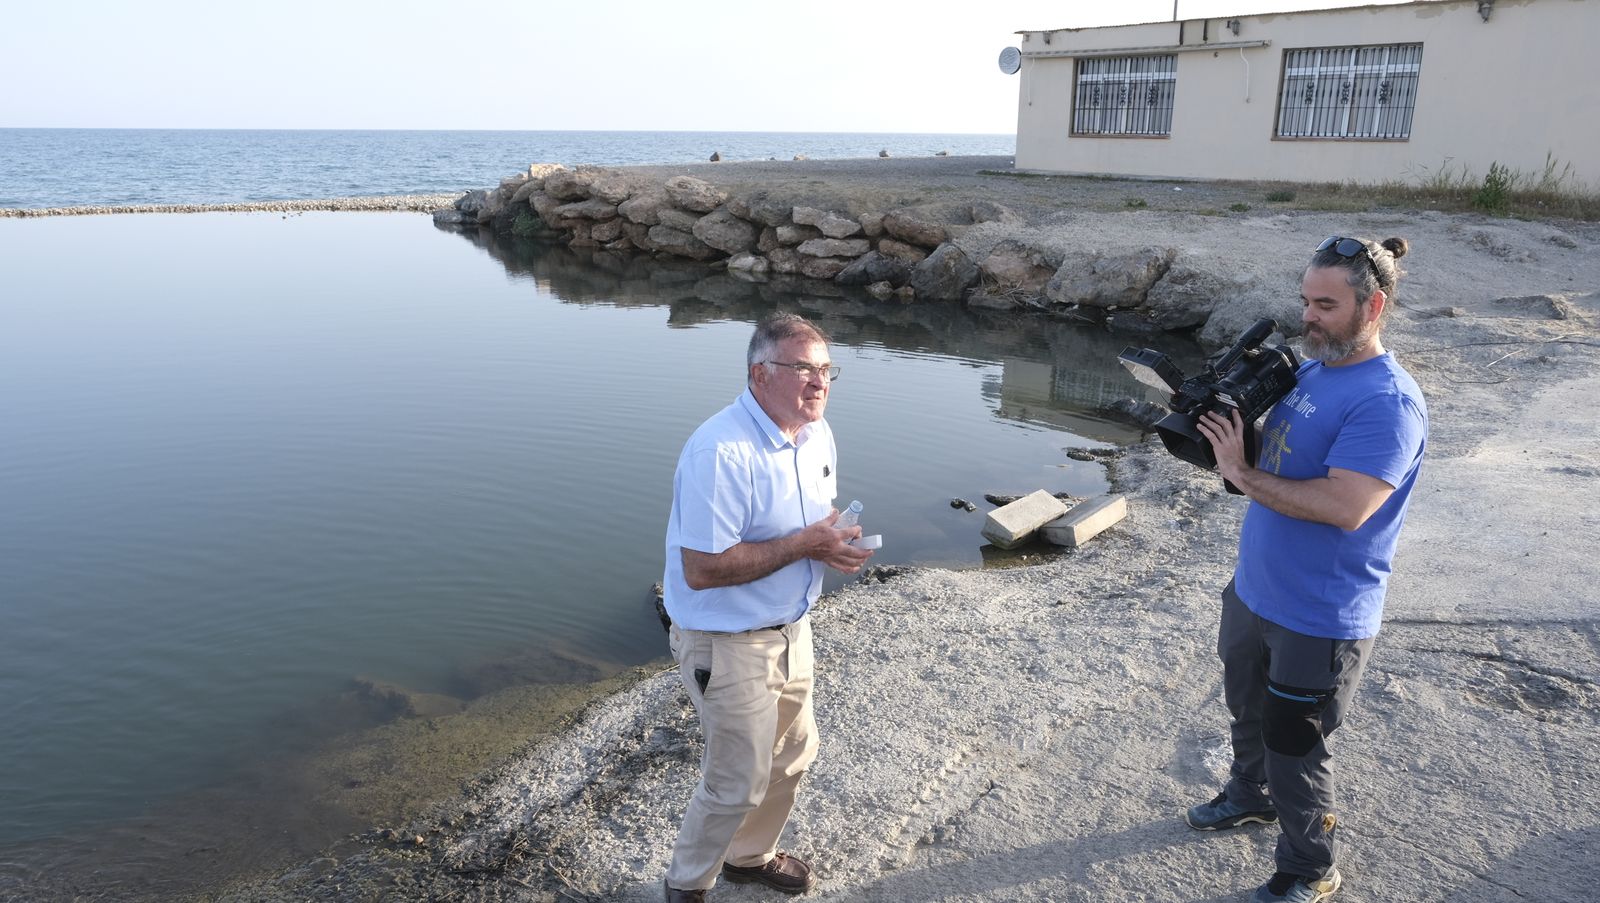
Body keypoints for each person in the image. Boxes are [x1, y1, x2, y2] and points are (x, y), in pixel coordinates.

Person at [1187, 236, 1428, 903]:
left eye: (1325, 304)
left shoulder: (1388, 402)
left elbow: (1344, 506)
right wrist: (1222, 439)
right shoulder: (1316, 371)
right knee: (1247, 711)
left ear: (1373, 305)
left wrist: (1242, 471)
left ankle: (1309, 865)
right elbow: (1277, 462)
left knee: (1296, 746)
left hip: (1321, 615)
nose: (1309, 318)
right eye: (1305, 301)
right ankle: (1248, 793)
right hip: (1257, 589)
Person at [661, 312, 874, 902]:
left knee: (795, 754)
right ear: (759, 373)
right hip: (727, 644)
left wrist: (831, 544)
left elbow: (806, 528)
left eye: (827, 370)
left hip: (792, 630)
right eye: (802, 369)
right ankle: (686, 888)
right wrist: (807, 544)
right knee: (734, 782)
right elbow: (701, 569)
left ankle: (749, 857)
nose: (818, 383)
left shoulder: (815, 434)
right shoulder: (720, 451)